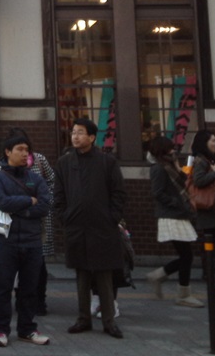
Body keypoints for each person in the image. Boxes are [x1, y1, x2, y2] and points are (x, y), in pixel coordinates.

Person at [53, 117, 126, 339]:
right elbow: (58, 195)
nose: (75, 136)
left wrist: (112, 217)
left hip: (102, 227)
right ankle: (83, 318)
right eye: (73, 132)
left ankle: (108, 321)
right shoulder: (64, 163)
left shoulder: (107, 162)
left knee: (104, 275)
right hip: (76, 227)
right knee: (82, 275)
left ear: (92, 137)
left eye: (80, 132)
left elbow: (119, 194)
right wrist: (64, 217)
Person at [0, 132, 52, 347]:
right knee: (3, 288)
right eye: (20, 150)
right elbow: (1, 202)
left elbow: (44, 205)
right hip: (4, 242)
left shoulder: (36, 178)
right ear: (8, 152)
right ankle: (0, 330)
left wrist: (21, 210)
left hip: (32, 242)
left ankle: (27, 329)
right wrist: (28, 200)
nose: (25, 154)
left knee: (29, 289)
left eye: (27, 150)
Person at [145, 136, 202, 307]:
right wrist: (178, 203)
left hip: (177, 214)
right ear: (162, 150)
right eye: (170, 148)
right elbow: (158, 193)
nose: (173, 151)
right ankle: (182, 294)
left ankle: (159, 276)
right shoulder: (159, 168)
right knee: (186, 255)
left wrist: (179, 168)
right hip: (171, 215)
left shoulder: (170, 165)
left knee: (186, 255)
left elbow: (183, 183)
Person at [4, 126, 54, 317]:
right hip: (15, 219)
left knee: (38, 263)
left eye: (25, 147)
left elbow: (52, 180)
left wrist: (46, 200)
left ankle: (39, 301)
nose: (23, 152)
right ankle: (21, 299)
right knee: (16, 263)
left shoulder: (39, 160)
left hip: (39, 218)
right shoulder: (5, 166)